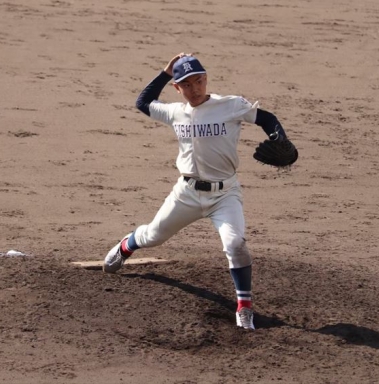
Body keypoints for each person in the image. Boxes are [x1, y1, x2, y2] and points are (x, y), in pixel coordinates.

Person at [103, 52, 292, 330]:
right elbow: (143, 102)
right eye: (186, 85)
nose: (194, 89)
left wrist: (281, 139)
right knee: (153, 236)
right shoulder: (175, 112)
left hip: (225, 194)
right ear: (177, 88)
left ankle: (244, 307)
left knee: (235, 244)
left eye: (198, 81)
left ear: (206, 79)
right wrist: (165, 72)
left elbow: (267, 118)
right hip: (187, 194)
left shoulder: (230, 105)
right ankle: (126, 246)